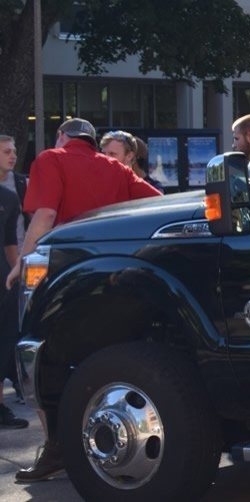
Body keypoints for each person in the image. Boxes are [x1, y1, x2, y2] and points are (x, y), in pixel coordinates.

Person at [9, 119, 160, 483]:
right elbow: (157, 203)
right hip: (115, 283)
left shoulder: (52, 158)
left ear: (63, 136)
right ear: (93, 143)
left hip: (63, 279)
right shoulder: (115, 168)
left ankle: (56, 448)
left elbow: (44, 215)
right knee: (105, 361)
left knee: (45, 361)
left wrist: (21, 263)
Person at [0, 136, 26, 430]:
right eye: (7, 151)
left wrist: (16, 271)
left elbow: (10, 242)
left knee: (6, 340)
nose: (13, 156)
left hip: (3, 280)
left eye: (14, 151)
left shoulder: (11, 197)